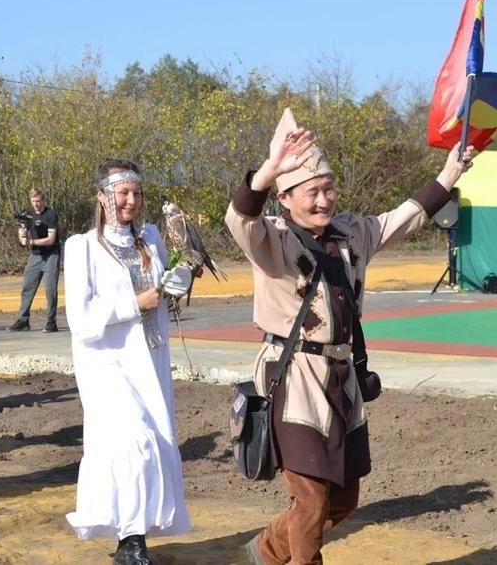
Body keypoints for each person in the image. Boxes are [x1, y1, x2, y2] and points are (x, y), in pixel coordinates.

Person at [226, 109, 475, 565]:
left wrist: (449, 173)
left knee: (343, 500)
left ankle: (262, 552)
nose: (324, 199)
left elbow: (404, 217)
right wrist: (268, 169)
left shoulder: (350, 234)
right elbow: (240, 217)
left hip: (342, 379)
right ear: (285, 197)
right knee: (311, 499)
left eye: (329, 188)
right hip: (294, 378)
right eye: (313, 191)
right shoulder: (271, 240)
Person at [64, 159, 192, 565]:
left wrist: (177, 285)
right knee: (131, 445)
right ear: (103, 197)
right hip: (107, 364)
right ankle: (131, 540)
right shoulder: (82, 246)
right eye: (123, 193)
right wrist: (133, 303)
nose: (131, 201)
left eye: (136, 193)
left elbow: (164, 288)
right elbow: (81, 320)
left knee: (155, 443)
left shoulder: (150, 238)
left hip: (150, 358)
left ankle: (134, 537)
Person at [9, 187, 61, 332]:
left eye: (38, 201)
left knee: (50, 290)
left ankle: (51, 321)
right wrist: (22, 235)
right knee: (27, 286)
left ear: (43, 200)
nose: (35, 204)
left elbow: (51, 239)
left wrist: (31, 242)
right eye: (33, 201)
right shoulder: (28, 214)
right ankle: (23, 320)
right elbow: (23, 237)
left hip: (51, 255)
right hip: (35, 256)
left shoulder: (51, 215)